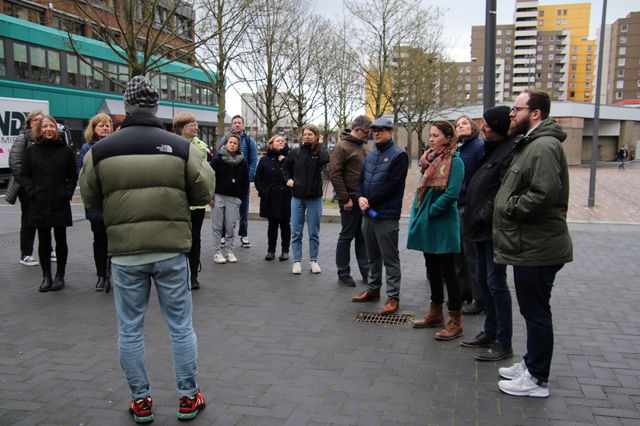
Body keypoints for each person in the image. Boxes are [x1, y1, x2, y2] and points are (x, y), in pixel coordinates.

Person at [79, 76, 215, 422]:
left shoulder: (100, 150)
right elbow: (203, 191)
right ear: (156, 106)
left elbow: (91, 200)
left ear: (125, 106)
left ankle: (141, 401)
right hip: (170, 248)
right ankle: (188, 397)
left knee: (130, 328)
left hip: (125, 252)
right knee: (180, 326)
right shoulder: (180, 146)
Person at [494, 89, 573, 398]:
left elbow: (543, 193)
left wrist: (510, 207)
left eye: (517, 109)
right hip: (530, 244)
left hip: (538, 247)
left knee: (536, 313)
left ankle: (537, 379)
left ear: (535, 113)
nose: (512, 114)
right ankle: (531, 364)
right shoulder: (532, 143)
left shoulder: (543, 146)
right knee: (532, 311)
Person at [459, 106, 515, 360]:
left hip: (490, 229)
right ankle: (490, 331)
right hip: (479, 229)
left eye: (488, 124)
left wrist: (482, 214)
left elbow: (502, 190)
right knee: (483, 279)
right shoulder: (491, 148)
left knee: (495, 284)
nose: (483, 128)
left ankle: (503, 341)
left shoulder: (507, 151)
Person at [407, 121, 465, 340]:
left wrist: (432, 210)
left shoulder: (455, 161)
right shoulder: (429, 159)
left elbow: (452, 193)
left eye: (436, 135)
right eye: (430, 135)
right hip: (428, 220)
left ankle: (455, 320)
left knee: (449, 272)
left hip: (442, 222)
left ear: (448, 138)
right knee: (431, 269)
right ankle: (435, 313)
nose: (431, 139)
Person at [352, 116, 408, 314]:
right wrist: (360, 197)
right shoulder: (372, 154)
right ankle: (373, 289)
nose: (376, 133)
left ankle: (393, 297)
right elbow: (360, 180)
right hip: (369, 212)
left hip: (386, 215)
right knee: (372, 256)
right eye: (374, 130)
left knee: (390, 257)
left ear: (390, 132)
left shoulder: (399, 156)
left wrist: (368, 200)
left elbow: (393, 186)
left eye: (381, 130)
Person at [21, 115, 77, 292]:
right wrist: (32, 192)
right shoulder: (32, 150)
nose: (48, 129)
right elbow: (24, 174)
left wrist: (67, 193)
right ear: (39, 129)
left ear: (56, 129)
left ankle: (60, 275)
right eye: (44, 126)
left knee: (61, 240)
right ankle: (46, 276)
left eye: (51, 126)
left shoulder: (66, 150)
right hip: (40, 202)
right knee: (43, 240)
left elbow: (73, 175)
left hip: (60, 201)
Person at [282, 124, 329, 274]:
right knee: (296, 231)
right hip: (297, 197)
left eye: (310, 134)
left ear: (316, 136)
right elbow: (285, 167)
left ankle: (313, 261)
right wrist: (288, 179)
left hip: (315, 198)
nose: (307, 136)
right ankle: (297, 261)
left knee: (314, 232)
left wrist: (319, 144)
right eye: (305, 134)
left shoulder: (319, 152)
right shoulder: (295, 152)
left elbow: (326, 159)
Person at [329, 115, 371, 287]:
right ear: (357, 130)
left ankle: (366, 272)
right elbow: (335, 174)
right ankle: (343, 273)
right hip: (350, 200)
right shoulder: (341, 147)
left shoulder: (361, 146)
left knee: (362, 236)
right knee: (346, 236)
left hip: (361, 199)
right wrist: (345, 199)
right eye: (366, 132)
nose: (368, 135)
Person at [173, 112, 211, 289]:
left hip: (195, 202)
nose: (196, 127)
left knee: (195, 237)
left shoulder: (201, 147)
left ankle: (193, 274)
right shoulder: (170, 144)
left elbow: (203, 173)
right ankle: (178, 273)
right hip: (176, 200)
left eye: (196, 124)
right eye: (192, 125)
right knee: (177, 237)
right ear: (181, 128)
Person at [77, 113, 113, 292]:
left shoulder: (116, 145)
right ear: (93, 128)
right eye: (101, 125)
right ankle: (101, 275)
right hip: (96, 201)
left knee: (114, 239)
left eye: (107, 125)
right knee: (99, 240)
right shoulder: (87, 148)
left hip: (114, 201)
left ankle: (112, 272)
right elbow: (83, 173)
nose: (105, 128)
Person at [454, 115, 485, 315]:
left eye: (464, 123)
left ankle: (479, 299)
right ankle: (462, 292)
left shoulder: (478, 147)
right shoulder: (458, 148)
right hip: (456, 206)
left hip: (469, 206)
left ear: (473, 126)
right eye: (457, 125)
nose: (461, 126)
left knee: (471, 255)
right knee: (458, 254)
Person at [9, 110, 44, 267]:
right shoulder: (23, 138)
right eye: (35, 120)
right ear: (29, 123)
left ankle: (47, 249)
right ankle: (26, 254)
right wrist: (28, 185)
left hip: (43, 187)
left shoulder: (45, 138)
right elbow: (15, 163)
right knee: (29, 220)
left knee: (45, 220)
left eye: (41, 120)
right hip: (27, 189)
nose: (39, 123)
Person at [219, 115, 257, 248]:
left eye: (239, 122)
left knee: (243, 210)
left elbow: (253, 160)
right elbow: (220, 158)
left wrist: (248, 177)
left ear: (243, 125)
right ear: (231, 125)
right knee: (225, 210)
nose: (237, 124)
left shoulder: (249, 140)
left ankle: (243, 235)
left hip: (242, 182)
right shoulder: (225, 139)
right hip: (228, 181)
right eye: (234, 122)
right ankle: (223, 235)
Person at [210, 133, 249, 264]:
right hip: (218, 196)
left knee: (230, 227)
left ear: (238, 146)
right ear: (226, 144)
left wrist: (240, 197)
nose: (232, 145)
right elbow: (210, 178)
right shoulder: (217, 159)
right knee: (217, 227)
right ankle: (217, 253)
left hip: (234, 198)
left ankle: (229, 252)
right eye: (230, 142)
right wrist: (210, 196)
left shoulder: (242, 161)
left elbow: (245, 181)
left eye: (235, 143)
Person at [254, 134, 291, 261]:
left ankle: (285, 251)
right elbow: (258, 178)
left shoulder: (289, 158)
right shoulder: (264, 159)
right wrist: (262, 191)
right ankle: (271, 250)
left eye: (282, 141)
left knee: (285, 224)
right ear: (271, 144)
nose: (280, 142)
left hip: (285, 196)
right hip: (270, 196)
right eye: (277, 141)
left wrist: (284, 161)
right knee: (272, 224)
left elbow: (294, 174)